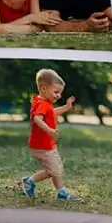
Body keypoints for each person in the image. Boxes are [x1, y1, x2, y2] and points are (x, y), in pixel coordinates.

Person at [20, 68, 79, 202]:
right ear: (44, 88)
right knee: (55, 170)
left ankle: (59, 191)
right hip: (42, 146)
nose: (58, 95)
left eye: (60, 93)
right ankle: (31, 182)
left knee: (56, 168)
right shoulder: (41, 104)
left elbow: (52, 113)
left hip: (47, 145)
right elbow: (37, 119)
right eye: (56, 92)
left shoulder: (45, 103)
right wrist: (49, 131)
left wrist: (66, 107)